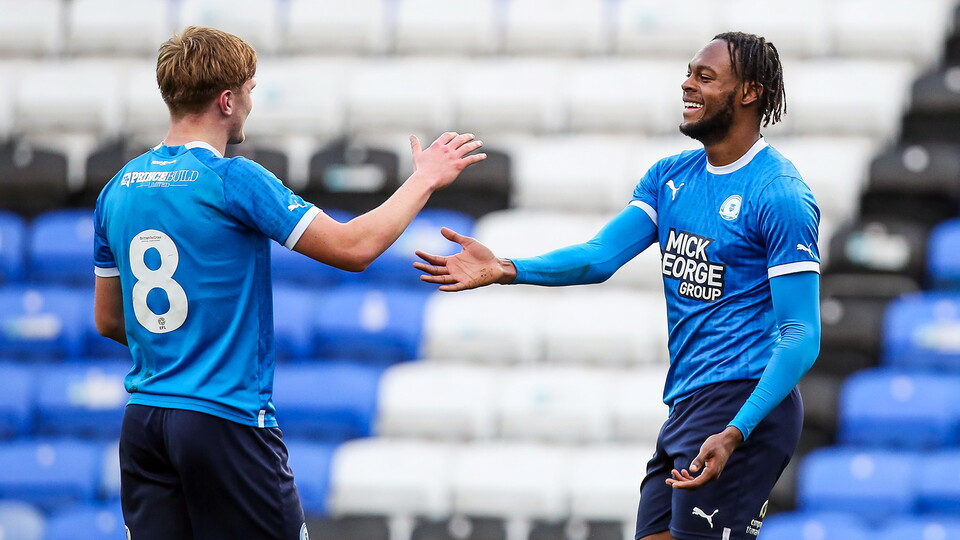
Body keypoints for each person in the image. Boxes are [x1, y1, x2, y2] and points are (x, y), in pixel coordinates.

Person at [415, 31, 820, 540]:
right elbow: (600, 256)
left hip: (743, 405)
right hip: (688, 405)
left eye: (705, 77)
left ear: (749, 92)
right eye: (689, 72)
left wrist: (738, 430)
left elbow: (801, 334)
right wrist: (507, 267)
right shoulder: (670, 176)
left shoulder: (778, 194)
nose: (686, 84)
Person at [93, 26, 485, 540]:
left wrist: (179, 345)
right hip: (225, 418)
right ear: (227, 99)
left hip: (145, 421)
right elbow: (353, 248)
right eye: (250, 91)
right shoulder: (234, 178)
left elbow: (107, 320)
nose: (251, 103)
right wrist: (424, 179)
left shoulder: (115, 189)